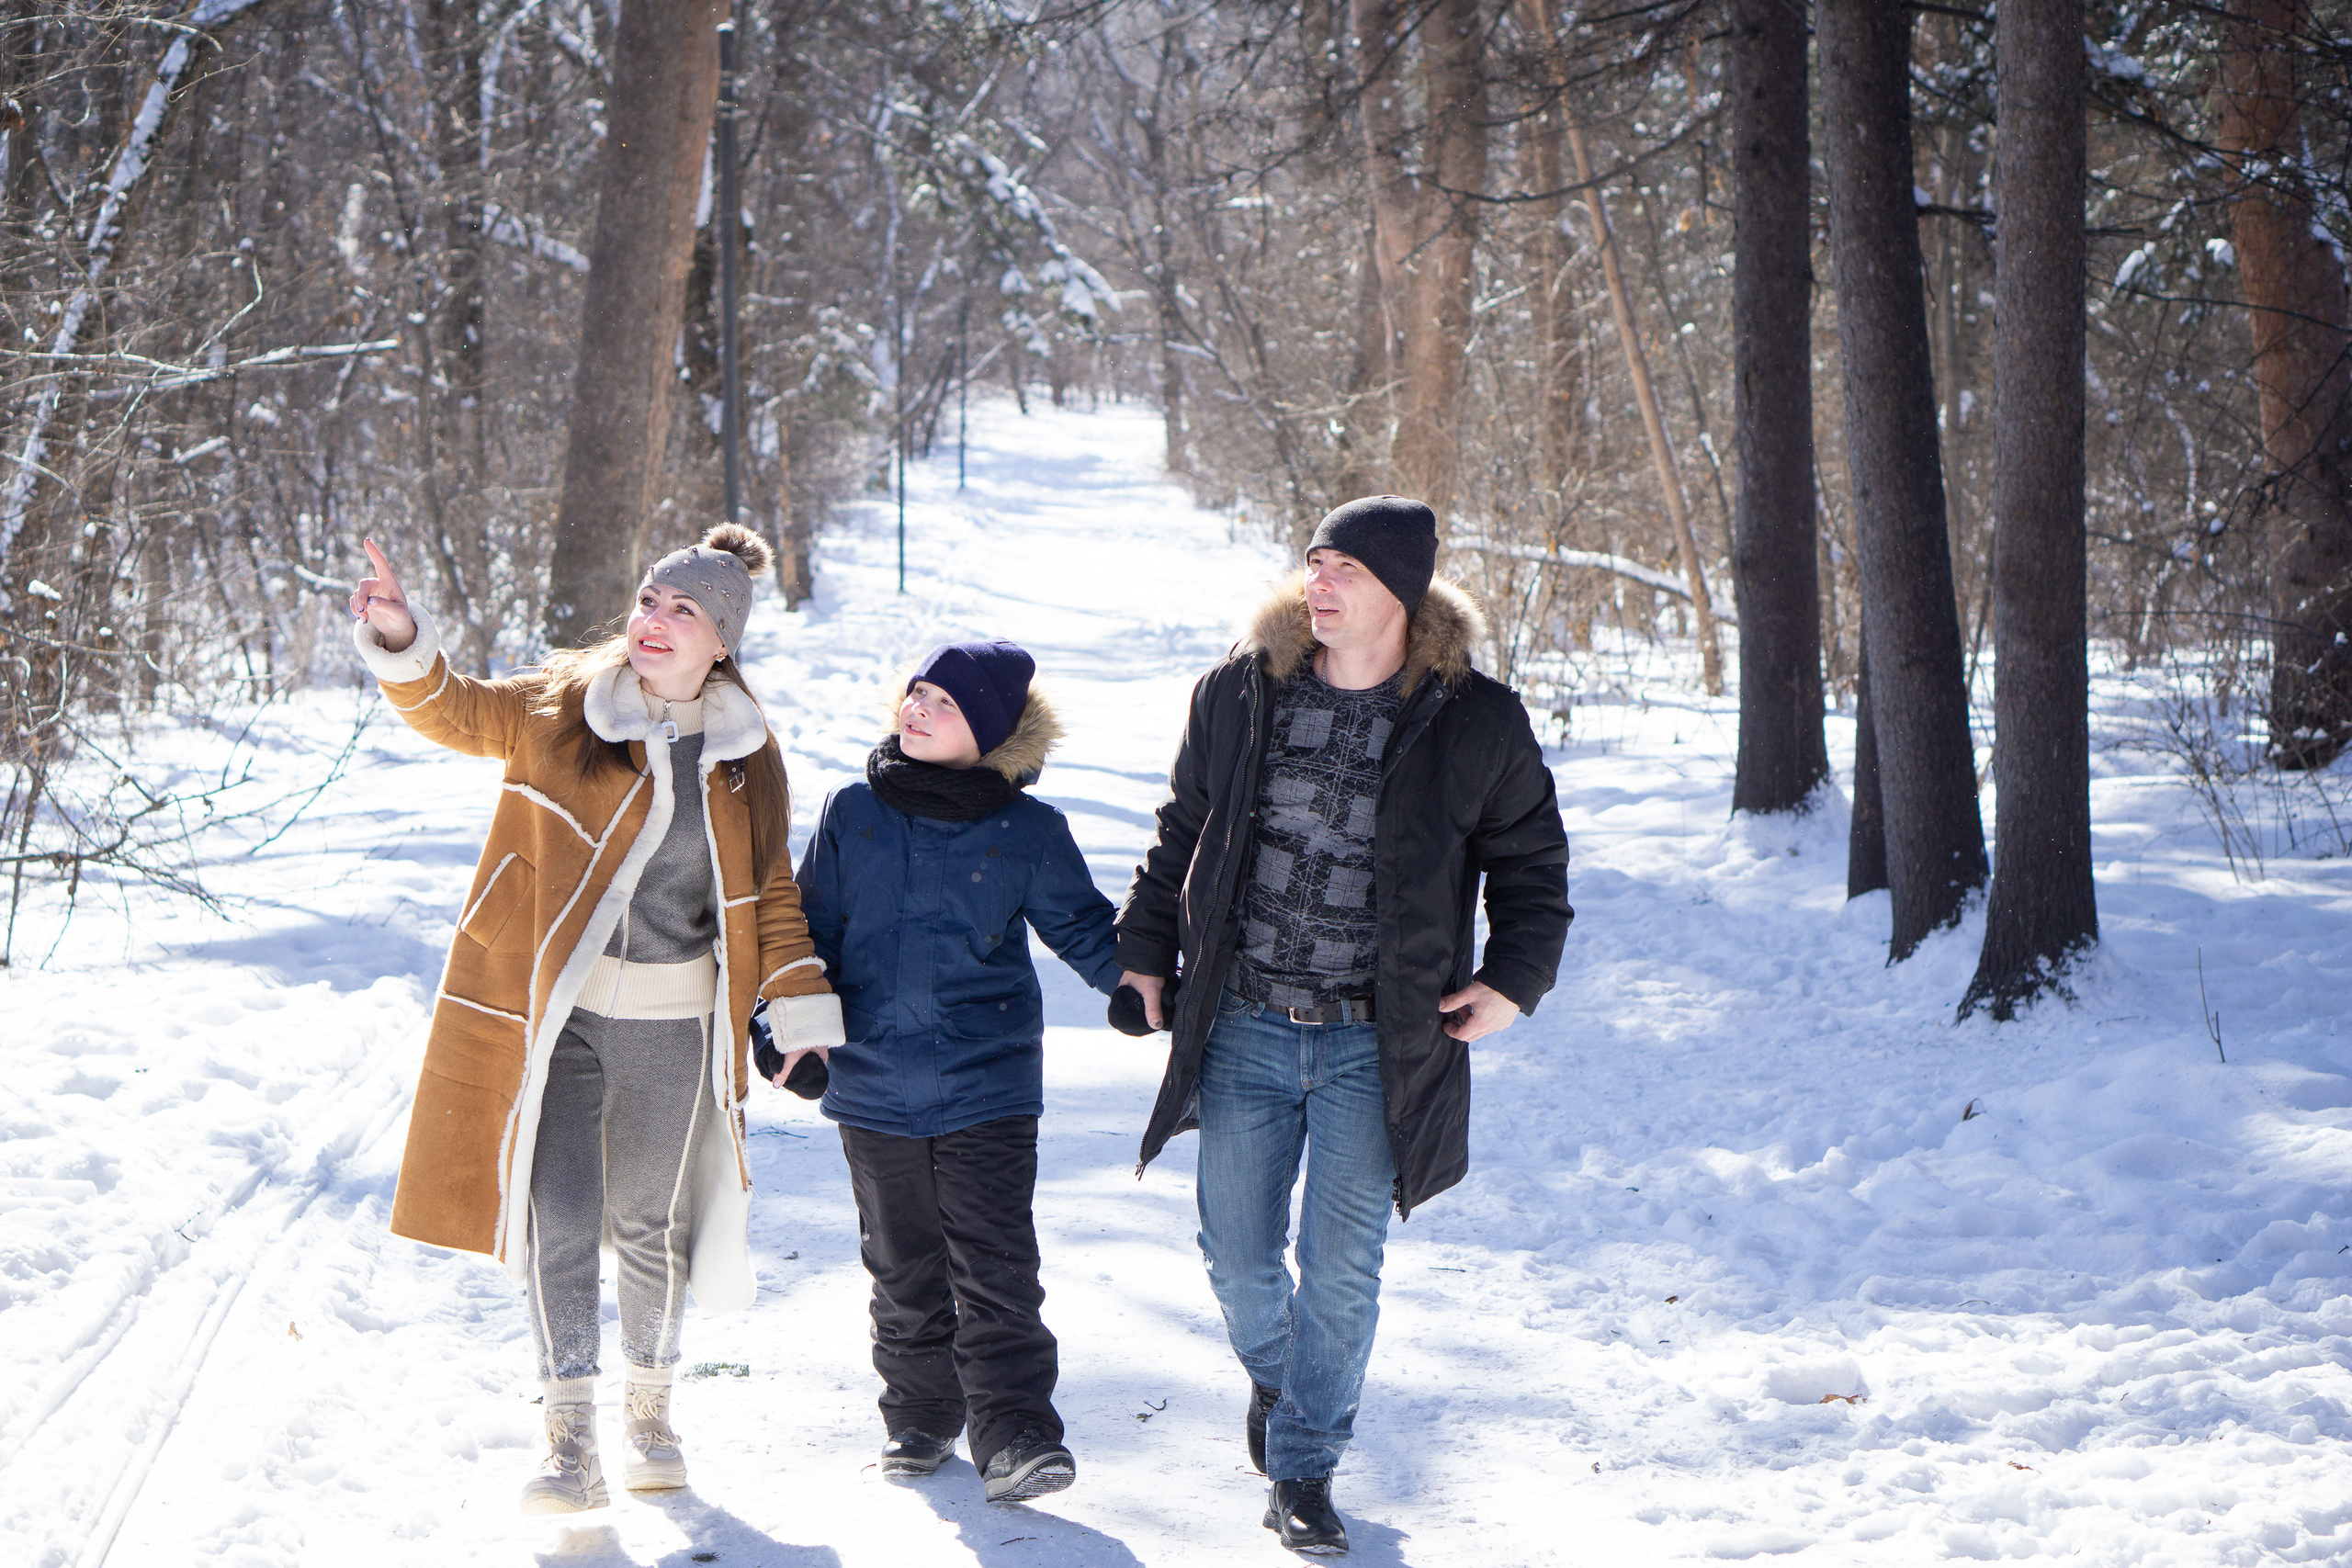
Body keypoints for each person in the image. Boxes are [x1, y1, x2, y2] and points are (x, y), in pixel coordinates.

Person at [348, 525, 843, 1515]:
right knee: (560, 1220)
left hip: (672, 1027)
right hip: (559, 1019)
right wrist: (401, 638)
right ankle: (569, 1438)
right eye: (648, 601)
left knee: (647, 1225)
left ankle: (651, 1416)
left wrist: (797, 1010)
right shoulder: (563, 711)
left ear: (721, 645)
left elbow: (770, 892)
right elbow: (453, 710)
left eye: (683, 612)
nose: (653, 623)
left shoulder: (746, 756)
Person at [1114, 496, 1572, 1554]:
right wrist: (1145, 950)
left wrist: (1514, 979)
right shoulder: (1241, 692)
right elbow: (1184, 826)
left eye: (1346, 571)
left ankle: (1305, 1465)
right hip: (1244, 1020)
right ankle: (1285, 1386)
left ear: (1400, 592)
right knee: (1234, 1254)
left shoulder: (1475, 718)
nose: (1318, 584)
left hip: (1384, 1039)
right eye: (1314, 564)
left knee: (1343, 1264)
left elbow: (1532, 863)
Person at [795, 641, 1123, 1503]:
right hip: (871, 1082)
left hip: (990, 1083)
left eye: (944, 702)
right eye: (917, 692)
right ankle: (920, 1412)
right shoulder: (853, 810)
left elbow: (1088, 934)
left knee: (994, 1262)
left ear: (987, 731)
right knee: (901, 1262)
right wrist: (788, 1028)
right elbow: (807, 937)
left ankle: (1016, 1433)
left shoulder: (1027, 830)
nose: (917, 708)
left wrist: (1141, 983)